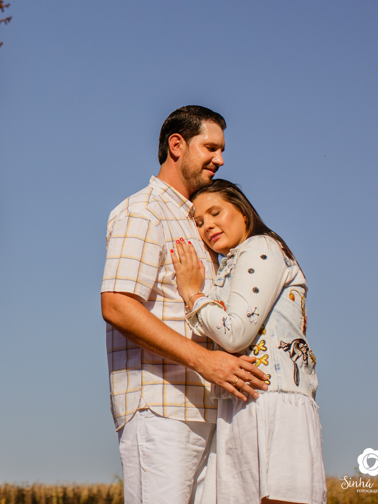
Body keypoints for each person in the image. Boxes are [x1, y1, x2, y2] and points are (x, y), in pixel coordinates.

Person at [101, 105, 268, 504]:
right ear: (177, 145)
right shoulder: (143, 212)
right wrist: (204, 361)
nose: (220, 159)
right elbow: (117, 304)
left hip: (210, 411)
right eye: (210, 147)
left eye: (222, 150)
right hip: (161, 410)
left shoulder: (198, 222)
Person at [173, 180, 326, 504]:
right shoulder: (232, 263)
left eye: (215, 213)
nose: (207, 225)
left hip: (272, 402)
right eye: (198, 222)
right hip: (243, 402)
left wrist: (192, 293)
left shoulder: (261, 248)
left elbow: (235, 332)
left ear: (243, 212)